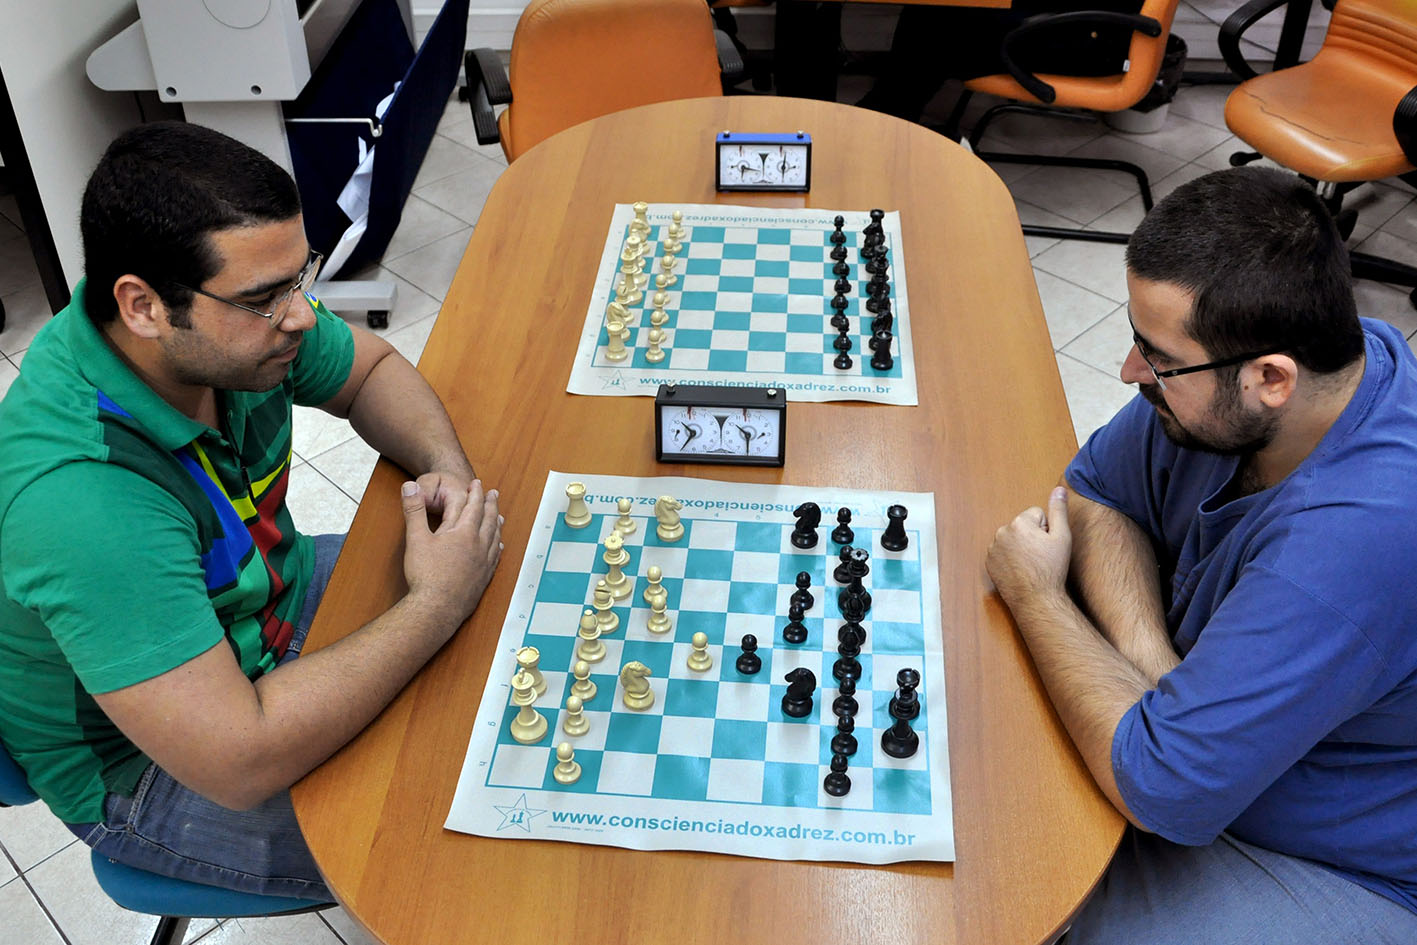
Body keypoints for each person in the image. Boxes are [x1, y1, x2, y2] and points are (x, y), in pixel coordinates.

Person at [0, 121, 503, 901]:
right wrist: (436, 598)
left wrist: (450, 480)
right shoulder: (84, 501)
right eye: (266, 298)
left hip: (266, 607)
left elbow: (369, 371)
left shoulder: (222, 336)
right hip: (156, 773)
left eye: (297, 278)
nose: (300, 316)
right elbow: (239, 757)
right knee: (484, 839)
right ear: (142, 306)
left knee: (509, 596)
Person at [986, 167, 1417, 943]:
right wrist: (1152, 663)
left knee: (1023, 897)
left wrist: (1039, 597)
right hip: (1198, 755)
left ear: (1270, 378)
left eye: (1155, 358)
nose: (1127, 373)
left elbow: (1162, 790)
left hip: (1347, 861)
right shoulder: (1291, 379)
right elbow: (1094, 491)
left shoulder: (1352, 544)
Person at [856, 1, 1143, 124]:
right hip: (1078, 23)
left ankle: (881, 122)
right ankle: (885, 115)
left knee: (939, 25)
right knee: (936, 16)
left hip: (1088, 38)